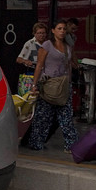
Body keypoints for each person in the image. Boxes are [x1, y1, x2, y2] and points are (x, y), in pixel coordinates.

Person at [28, 20, 78, 151]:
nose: (62, 31)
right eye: (59, 28)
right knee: (43, 117)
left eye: (64, 29)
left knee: (66, 117)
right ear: (53, 30)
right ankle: (36, 143)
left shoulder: (68, 47)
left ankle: (71, 145)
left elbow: (72, 64)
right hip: (49, 84)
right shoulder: (47, 45)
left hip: (63, 85)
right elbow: (39, 65)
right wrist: (34, 84)